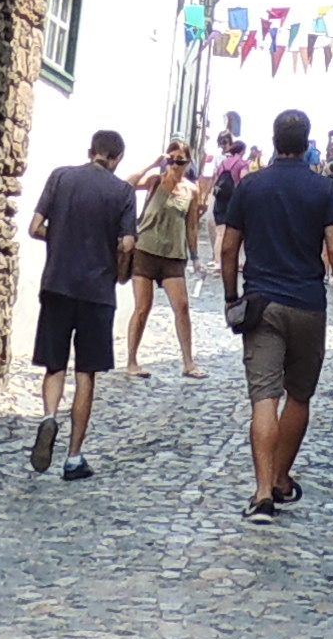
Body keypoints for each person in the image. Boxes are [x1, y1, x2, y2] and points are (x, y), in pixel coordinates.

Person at [215, 106, 333, 520]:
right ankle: (280, 478)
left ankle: (261, 493)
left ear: (275, 141)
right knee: (298, 396)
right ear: (307, 143)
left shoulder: (251, 186)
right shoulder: (323, 189)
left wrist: (230, 297)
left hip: (261, 305)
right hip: (308, 304)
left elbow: (227, 248)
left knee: (264, 398)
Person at [24, 129, 138, 479]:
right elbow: (128, 244)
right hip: (97, 292)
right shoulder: (122, 192)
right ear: (117, 158)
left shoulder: (60, 177)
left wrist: (59, 239)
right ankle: (73, 458)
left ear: (90, 152)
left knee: (54, 366)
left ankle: (48, 417)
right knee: (86, 371)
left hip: (57, 284)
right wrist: (119, 272)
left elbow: (34, 227)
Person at [122, 143, 204, 377]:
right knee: (142, 308)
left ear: (188, 163)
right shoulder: (154, 181)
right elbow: (127, 184)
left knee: (182, 307)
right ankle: (131, 361)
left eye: (180, 161)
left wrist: (196, 257)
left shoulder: (192, 190)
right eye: (172, 159)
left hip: (173, 255)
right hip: (146, 251)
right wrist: (152, 164)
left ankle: (189, 363)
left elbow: (191, 227)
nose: (175, 164)